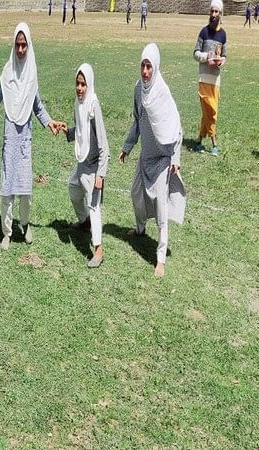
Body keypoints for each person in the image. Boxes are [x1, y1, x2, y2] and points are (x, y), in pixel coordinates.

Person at [0, 23, 63, 250]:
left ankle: (25, 224)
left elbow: (38, 106)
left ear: (29, 46)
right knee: (7, 188)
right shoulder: (6, 73)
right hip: (9, 137)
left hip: (25, 139)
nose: (21, 50)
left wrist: (49, 123)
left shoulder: (32, 75)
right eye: (18, 45)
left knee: (25, 190)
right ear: (13, 45)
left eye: (24, 45)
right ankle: (7, 232)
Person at [119, 43, 186, 278]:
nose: (145, 72)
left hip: (161, 159)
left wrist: (175, 157)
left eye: (149, 67)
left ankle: (160, 258)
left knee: (160, 206)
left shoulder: (162, 92)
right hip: (145, 156)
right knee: (135, 193)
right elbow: (137, 121)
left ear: (155, 67)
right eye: (143, 66)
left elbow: (177, 128)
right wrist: (127, 147)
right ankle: (139, 228)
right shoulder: (138, 89)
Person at [62, 64, 109, 268]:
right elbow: (82, 132)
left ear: (89, 85)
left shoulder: (93, 105)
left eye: (83, 85)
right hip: (81, 165)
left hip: (93, 168)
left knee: (94, 206)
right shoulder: (78, 103)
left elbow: (104, 144)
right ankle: (84, 222)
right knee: (73, 189)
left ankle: (98, 250)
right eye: (77, 84)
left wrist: (101, 173)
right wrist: (68, 132)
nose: (80, 88)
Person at [192, 0, 227, 156]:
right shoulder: (203, 32)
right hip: (204, 79)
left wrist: (220, 62)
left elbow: (225, 56)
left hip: (215, 80)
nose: (213, 15)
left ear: (220, 14)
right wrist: (207, 56)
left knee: (210, 112)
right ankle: (214, 142)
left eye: (216, 12)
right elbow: (195, 53)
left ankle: (200, 139)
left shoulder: (223, 34)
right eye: (212, 12)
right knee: (210, 112)